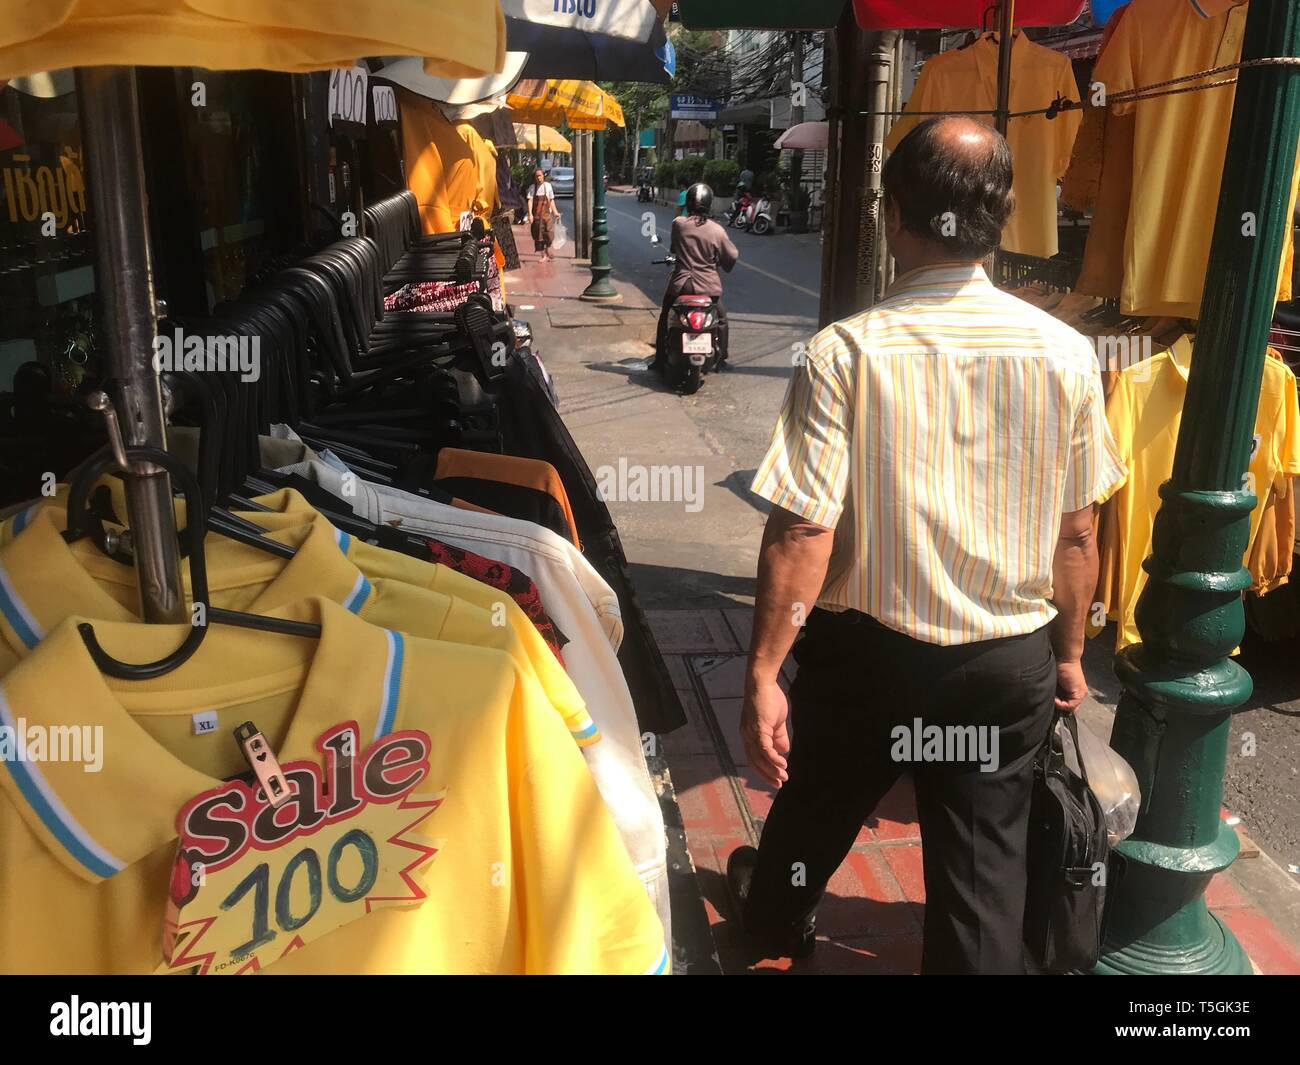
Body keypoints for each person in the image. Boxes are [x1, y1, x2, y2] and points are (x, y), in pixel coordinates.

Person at [728, 115, 1126, 974]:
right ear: (1001, 217)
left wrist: (763, 673)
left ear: (892, 214)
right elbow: (1077, 530)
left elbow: (804, 527)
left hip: (869, 666)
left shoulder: (845, 353)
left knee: (817, 812)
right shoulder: (1065, 354)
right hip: (1002, 666)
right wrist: (1068, 651)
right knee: (984, 866)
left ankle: (770, 925)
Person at [653, 182, 739, 373]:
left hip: (681, 284)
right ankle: (721, 359)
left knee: (665, 316)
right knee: (722, 319)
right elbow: (731, 256)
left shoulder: (679, 224)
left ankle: (659, 359)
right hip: (709, 286)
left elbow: (674, 248)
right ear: (709, 204)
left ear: (689, 204)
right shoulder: (717, 230)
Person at [527, 167, 557, 260]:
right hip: (537, 216)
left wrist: (555, 212)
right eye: (537, 176)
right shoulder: (532, 188)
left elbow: (551, 200)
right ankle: (543, 255)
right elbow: (530, 201)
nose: (538, 178)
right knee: (538, 236)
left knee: (549, 234)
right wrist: (530, 214)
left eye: (540, 176)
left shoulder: (548, 186)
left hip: (547, 215)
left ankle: (547, 250)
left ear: (543, 176)